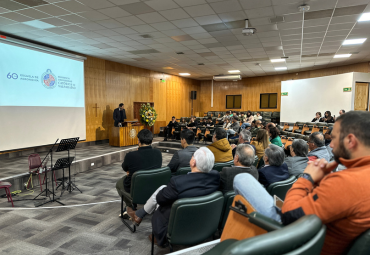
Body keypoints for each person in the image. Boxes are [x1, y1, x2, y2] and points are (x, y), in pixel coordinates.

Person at [125, 147, 220, 247]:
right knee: (164, 188)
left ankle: (141, 216)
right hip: (204, 223)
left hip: (176, 225)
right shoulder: (216, 177)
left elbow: (159, 199)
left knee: (161, 197)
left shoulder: (178, 182)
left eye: (192, 157)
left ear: (193, 163)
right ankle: (139, 214)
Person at [116, 129, 162, 209]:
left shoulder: (130, 155)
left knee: (119, 184)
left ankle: (130, 206)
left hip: (136, 189)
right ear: (151, 141)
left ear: (138, 141)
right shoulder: (158, 153)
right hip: (154, 187)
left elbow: (125, 168)